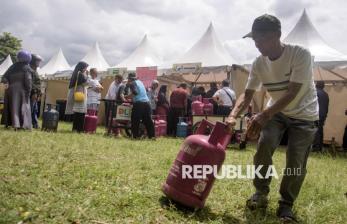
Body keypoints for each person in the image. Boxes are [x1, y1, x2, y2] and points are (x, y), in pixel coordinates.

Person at [226, 14, 318, 222]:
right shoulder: (258, 63)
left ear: (277, 35)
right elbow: (248, 94)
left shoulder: (300, 54)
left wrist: (264, 115)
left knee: (296, 160)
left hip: (304, 114)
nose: (257, 43)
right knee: (264, 146)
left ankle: (286, 204)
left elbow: (292, 93)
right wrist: (233, 116)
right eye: (254, 39)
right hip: (276, 113)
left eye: (262, 38)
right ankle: (261, 192)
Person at [1, 50, 32, 130]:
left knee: (10, 107)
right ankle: (19, 125)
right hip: (20, 90)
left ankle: (8, 123)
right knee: (22, 107)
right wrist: (28, 92)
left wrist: (7, 83)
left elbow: (4, 77)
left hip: (9, 90)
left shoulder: (12, 67)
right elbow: (28, 80)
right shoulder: (27, 68)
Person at [125, 73, 155, 139]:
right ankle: (152, 136)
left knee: (135, 120)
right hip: (147, 103)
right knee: (148, 121)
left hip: (139, 104)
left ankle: (135, 136)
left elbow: (135, 93)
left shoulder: (132, 83)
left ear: (130, 79)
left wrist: (126, 97)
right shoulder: (140, 82)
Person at [65, 61, 89, 133]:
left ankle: (75, 129)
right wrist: (87, 75)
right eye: (85, 68)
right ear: (82, 67)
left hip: (77, 94)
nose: (86, 69)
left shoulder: (76, 74)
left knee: (77, 113)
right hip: (80, 95)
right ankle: (79, 129)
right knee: (80, 113)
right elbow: (86, 83)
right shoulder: (81, 74)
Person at [312, 81, 329, 152]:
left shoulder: (315, 92)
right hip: (322, 115)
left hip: (316, 114)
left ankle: (316, 147)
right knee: (320, 131)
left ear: (316, 85)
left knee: (315, 131)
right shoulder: (325, 94)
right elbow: (326, 106)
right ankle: (319, 147)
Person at [29, 54, 43, 129]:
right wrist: (34, 92)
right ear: (33, 61)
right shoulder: (30, 70)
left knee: (35, 110)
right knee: (30, 109)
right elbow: (31, 83)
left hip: (35, 93)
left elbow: (37, 84)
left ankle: (35, 124)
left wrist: (39, 93)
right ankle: (27, 124)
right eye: (38, 61)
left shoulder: (34, 70)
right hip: (32, 93)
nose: (39, 63)